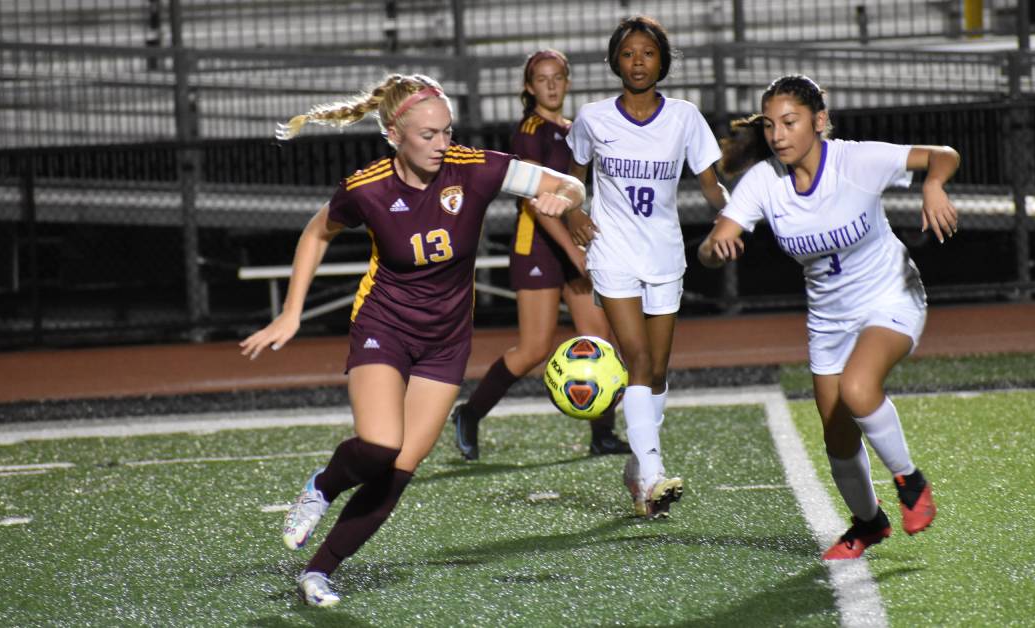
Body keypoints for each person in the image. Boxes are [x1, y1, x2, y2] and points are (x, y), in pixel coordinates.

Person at [239, 73, 585, 606]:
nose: (442, 143)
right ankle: (323, 486)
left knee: (399, 471)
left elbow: (565, 183)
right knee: (379, 445)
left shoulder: (474, 169)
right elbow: (317, 232)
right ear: (394, 134)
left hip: (446, 342)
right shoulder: (368, 188)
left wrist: (566, 197)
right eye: (429, 135)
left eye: (447, 131)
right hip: (385, 327)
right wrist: (291, 314)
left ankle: (319, 572)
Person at [699, 74, 956, 559]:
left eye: (790, 122)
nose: (777, 135)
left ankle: (912, 483)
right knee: (837, 437)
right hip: (828, 321)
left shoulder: (855, 160)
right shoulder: (763, 182)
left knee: (860, 390)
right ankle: (869, 523)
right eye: (771, 124)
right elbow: (713, 248)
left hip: (891, 296)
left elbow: (942, 153)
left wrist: (935, 186)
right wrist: (718, 246)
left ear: (819, 121)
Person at [565, 16, 728, 519]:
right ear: (616, 60)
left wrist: (733, 217)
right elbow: (571, 179)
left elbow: (711, 186)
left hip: (664, 254)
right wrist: (573, 210)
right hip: (612, 253)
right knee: (635, 356)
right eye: (629, 53)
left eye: (648, 53)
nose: (638, 61)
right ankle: (654, 471)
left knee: (656, 370)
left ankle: (636, 470)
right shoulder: (592, 118)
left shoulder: (685, 117)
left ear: (663, 61)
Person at [451, 49, 630, 461]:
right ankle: (471, 414)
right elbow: (537, 200)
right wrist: (575, 253)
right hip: (538, 246)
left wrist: (586, 242)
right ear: (529, 88)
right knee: (534, 348)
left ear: (567, 82)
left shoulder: (573, 128)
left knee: (599, 339)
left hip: (573, 246)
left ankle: (602, 432)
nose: (551, 85)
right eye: (542, 79)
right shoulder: (530, 130)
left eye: (558, 77)